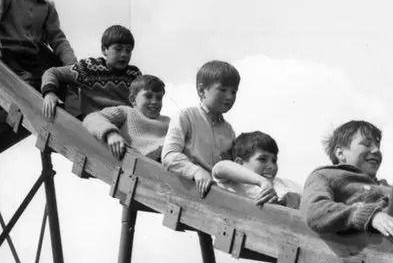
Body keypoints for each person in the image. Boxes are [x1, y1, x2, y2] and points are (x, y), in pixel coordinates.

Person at [161, 60, 238, 197]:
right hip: (192, 190)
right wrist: (196, 171)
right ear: (202, 90)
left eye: (234, 91)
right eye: (223, 90)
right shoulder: (186, 116)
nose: (230, 96)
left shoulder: (229, 130)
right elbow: (169, 155)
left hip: (221, 193)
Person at [40, 24, 141, 119]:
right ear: (104, 50)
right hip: (97, 123)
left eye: (128, 50)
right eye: (118, 49)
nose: (124, 54)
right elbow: (53, 72)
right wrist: (49, 93)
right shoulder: (89, 68)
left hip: (126, 123)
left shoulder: (134, 75)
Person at [83, 75, 169, 161]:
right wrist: (111, 134)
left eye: (159, 98)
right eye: (148, 96)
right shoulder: (126, 112)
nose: (154, 102)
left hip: (171, 154)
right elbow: (92, 118)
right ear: (132, 99)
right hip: (147, 159)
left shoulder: (168, 121)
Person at [212, 131, 302, 208]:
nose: (272, 166)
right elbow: (220, 167)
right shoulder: (234, 182)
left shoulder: (284, 184)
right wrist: (263, 182)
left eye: (274, 160)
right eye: (262, 159)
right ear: (239, 163)